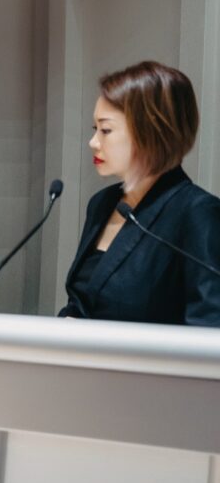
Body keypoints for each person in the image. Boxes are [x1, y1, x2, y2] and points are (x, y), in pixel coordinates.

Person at [60, 60, 220, 325]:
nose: (93, 142)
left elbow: (209, 327)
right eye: (94, 129)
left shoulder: (197, 213)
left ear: (151, 131)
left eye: (106, 130)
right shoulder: (102, 203)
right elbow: (81, 303)